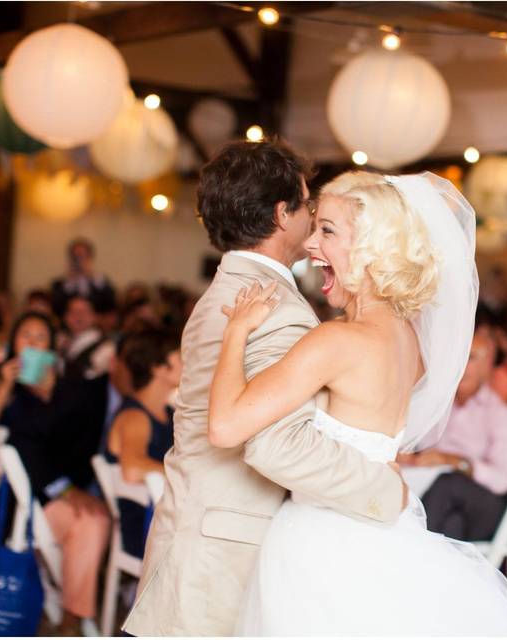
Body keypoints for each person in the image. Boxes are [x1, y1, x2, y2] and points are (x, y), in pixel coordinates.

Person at [207, 170, 507, 635]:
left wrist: (236, 331)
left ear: (371, 247)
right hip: (387, 533)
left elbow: (223, 427)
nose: (310, 246)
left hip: (321, 541)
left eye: (327, 231)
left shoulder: (336, 342)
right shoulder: (408, 343)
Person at [123, 140, 407, 637]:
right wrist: (384, 487)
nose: (314, 221)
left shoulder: (223, 292)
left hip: (193, 528)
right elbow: (278, 444)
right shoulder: (277, 309)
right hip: (221, 551)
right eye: (308, 206)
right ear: (282, 214)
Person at [0, 312, 110, 635]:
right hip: (19, 498)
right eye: (25, 336)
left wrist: (52, 389)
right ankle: (73, 621)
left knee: (94, 520)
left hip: (57, 489)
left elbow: (84, 443)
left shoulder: (73, 389)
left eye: (40, 338)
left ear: (52, 347)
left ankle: (72, 618)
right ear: (13, 341)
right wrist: (8, 383)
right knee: (89, 520)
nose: (32, 344)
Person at [398, 325, 507, 542]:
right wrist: (413, 458)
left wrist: (455, 462)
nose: (462, 363)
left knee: (449, 485)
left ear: (488, 365)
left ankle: (409, 552)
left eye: (471, 357)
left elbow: (503, 479)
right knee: (452, 525)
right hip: (442, 497)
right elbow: (421, 447)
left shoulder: (499, 413)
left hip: (486, 504)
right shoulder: (440, 405)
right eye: (459, 355)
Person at [104, 329, 181, 558]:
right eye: (181, 357)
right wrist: (190, 474)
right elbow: (133, 468)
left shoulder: (168, 413)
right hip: (147, 530)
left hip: (165, 521)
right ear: (158, 368)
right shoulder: (135, 417)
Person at [50, 238, 117, 318]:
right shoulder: (60, 284)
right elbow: (56, 308)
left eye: (83, 256)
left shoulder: (101, 281)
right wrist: (69, 281)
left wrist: (93, 277)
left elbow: (111, 305)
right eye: (76, 257)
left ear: (90, 258)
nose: (79, 261)